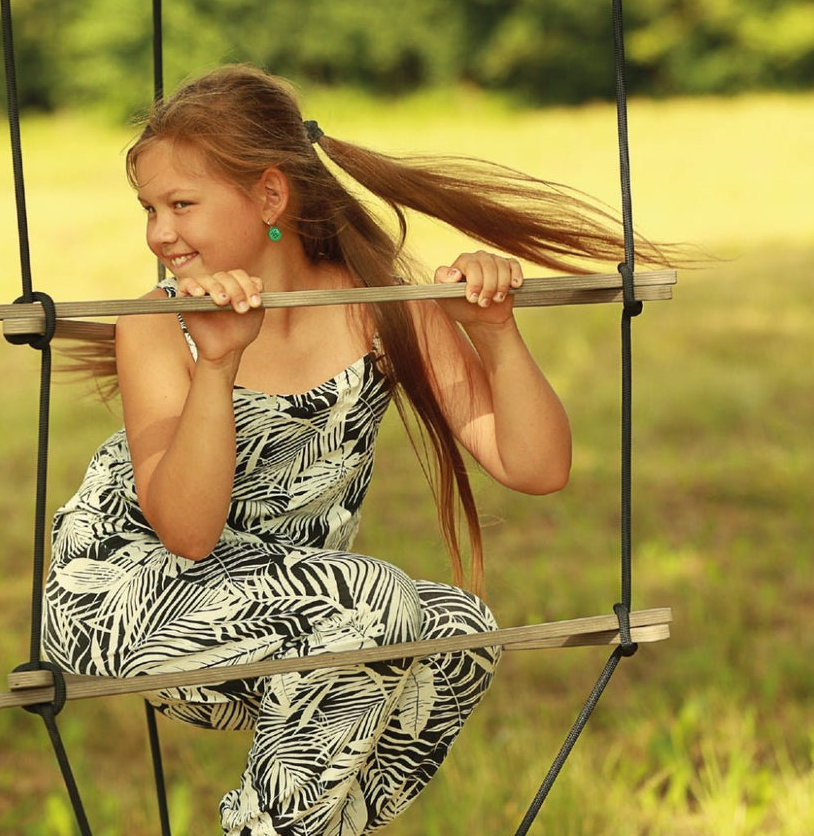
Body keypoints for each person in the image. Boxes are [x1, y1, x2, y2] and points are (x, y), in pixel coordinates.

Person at [42, 64, 668, 836]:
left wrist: (495, 332)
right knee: (373, 601)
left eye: (181, 205)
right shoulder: (156, 325)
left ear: (270, 196)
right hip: (130, 597)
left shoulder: (380, 313)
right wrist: (219, 364)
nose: (158, 234)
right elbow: (189, 532)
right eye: (149, 209)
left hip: (308, 622)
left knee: (455, 632)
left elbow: (537, 468)